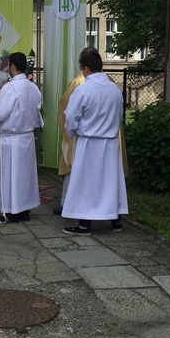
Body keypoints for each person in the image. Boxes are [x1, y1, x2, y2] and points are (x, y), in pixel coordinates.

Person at [62, 48, 128, 235]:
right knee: (110, 182)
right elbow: (120, 116)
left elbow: (71, 118)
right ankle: (116, 221)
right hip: (110, 143)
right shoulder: (115, 90)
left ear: (85, 69)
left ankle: (84, 224)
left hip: (89, 142)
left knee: (87, 183)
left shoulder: (83, 90)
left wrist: (72, 133)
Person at [0, 52, 43, 222]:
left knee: (11, 175)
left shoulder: (10, 88)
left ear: (12, 67)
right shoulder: (33, 87)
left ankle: (11, 209)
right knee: (24, 176)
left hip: (11, 138)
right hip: (27, 137)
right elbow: (37, 108)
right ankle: (24, 208)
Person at [53, 71, 86, 215]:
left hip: (81, 137)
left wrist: (68, 133)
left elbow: (66, 109)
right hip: (107, 141)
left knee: (73, 168)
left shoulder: (78, 83)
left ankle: (67, 203)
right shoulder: (109, 84)